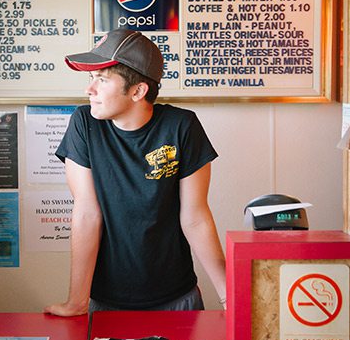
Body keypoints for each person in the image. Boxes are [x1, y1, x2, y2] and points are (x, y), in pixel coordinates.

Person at [44, 28, 226, 316]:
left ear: (138, 91)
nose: (89, 90)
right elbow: (87, 213)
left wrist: (229, 296)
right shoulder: (84, 124)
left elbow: (195, 217)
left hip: (177, 298)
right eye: (90, 79)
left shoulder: (182, 126)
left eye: (101, 80)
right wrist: (77, 301)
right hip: (106, 301)